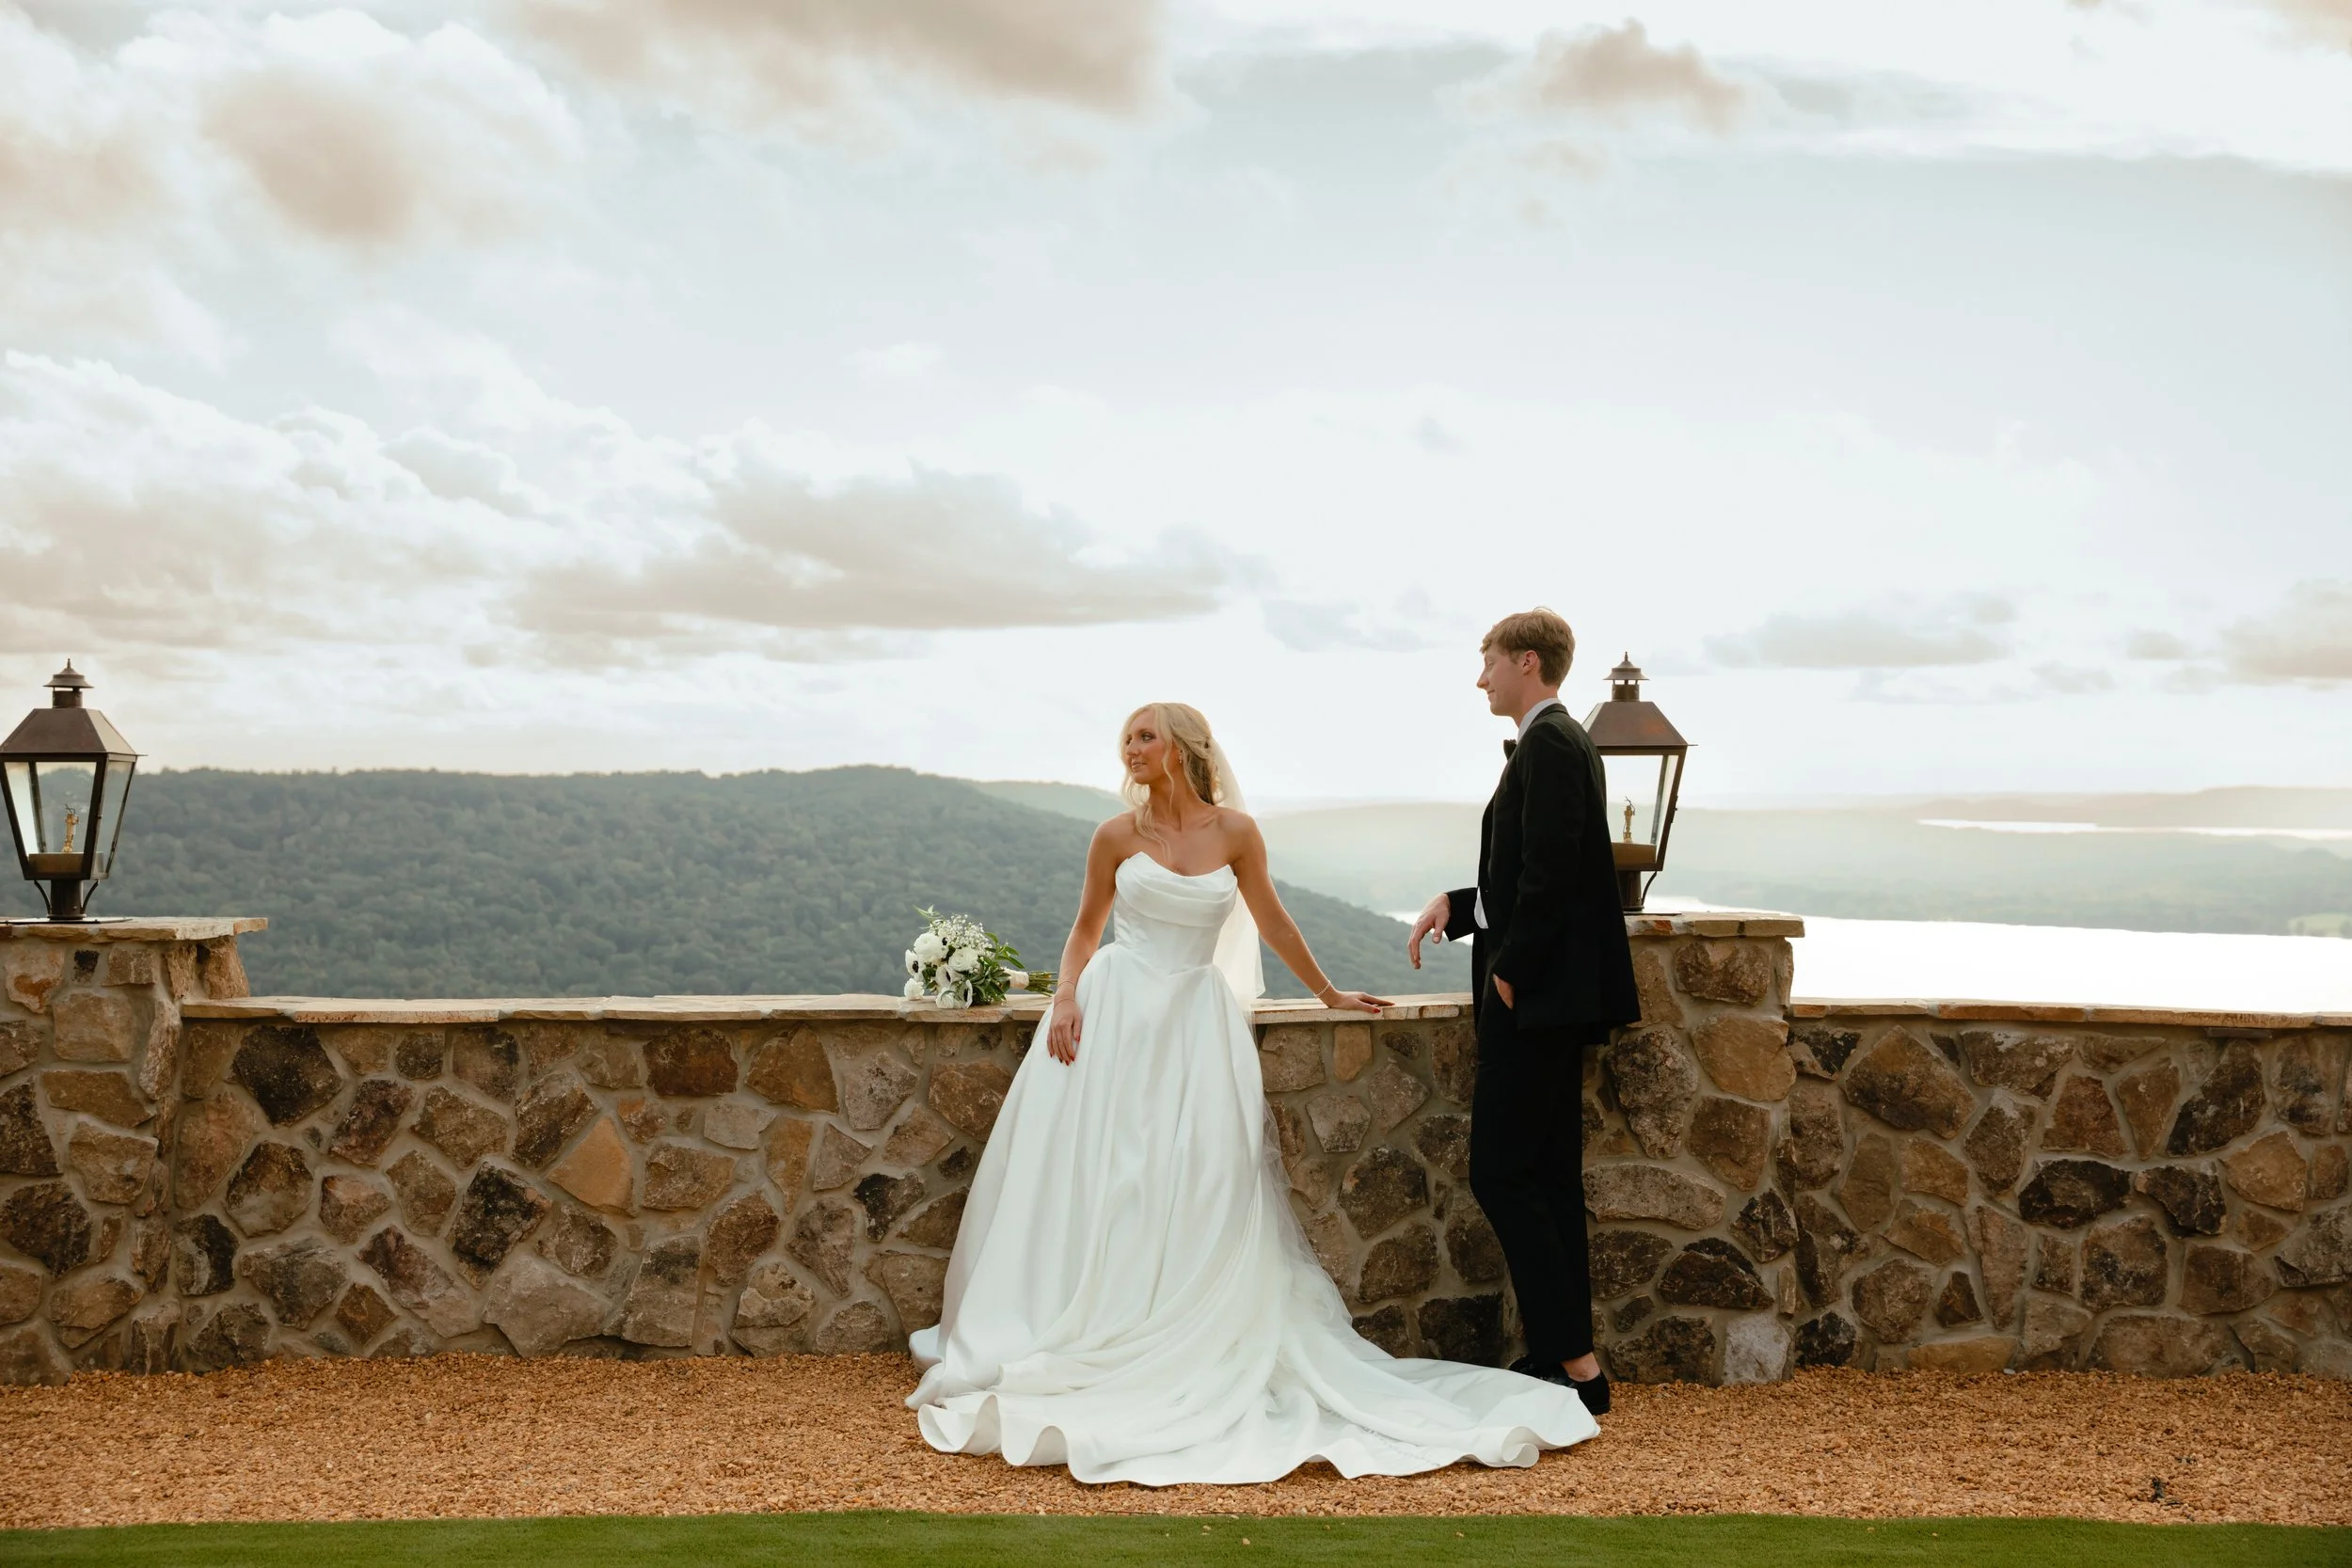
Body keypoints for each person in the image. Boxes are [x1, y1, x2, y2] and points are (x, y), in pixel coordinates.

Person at [908, 702, 1597, 1484]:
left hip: (1195, 1028)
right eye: (1126, 738)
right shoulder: (1113, 836)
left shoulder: (1236, 832)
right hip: (1115, 1017)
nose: (1132, 749)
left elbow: (1273, 921)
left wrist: (1331, 991)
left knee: (1199, 1182)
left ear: (1185, 748)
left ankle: (1182, 1324)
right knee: (1106, 1177)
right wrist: (1066, 996)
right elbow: (1084, 928)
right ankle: (1083, 1315)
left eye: (1146, 736)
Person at [1407, 609, 1641, 1415]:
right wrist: (1460, 903)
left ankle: (1574, 1359)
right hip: (1542, 998)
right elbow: (1529, 870)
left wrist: (1512, 970)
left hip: (1534, 1003)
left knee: (1501, 1171)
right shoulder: (1557, 741)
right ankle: (1567, 1363)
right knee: (1545, 1174)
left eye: (1488, 661)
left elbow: (1549, 870)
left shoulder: (1550, 742)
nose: (1481, 678)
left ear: (1527, 661)